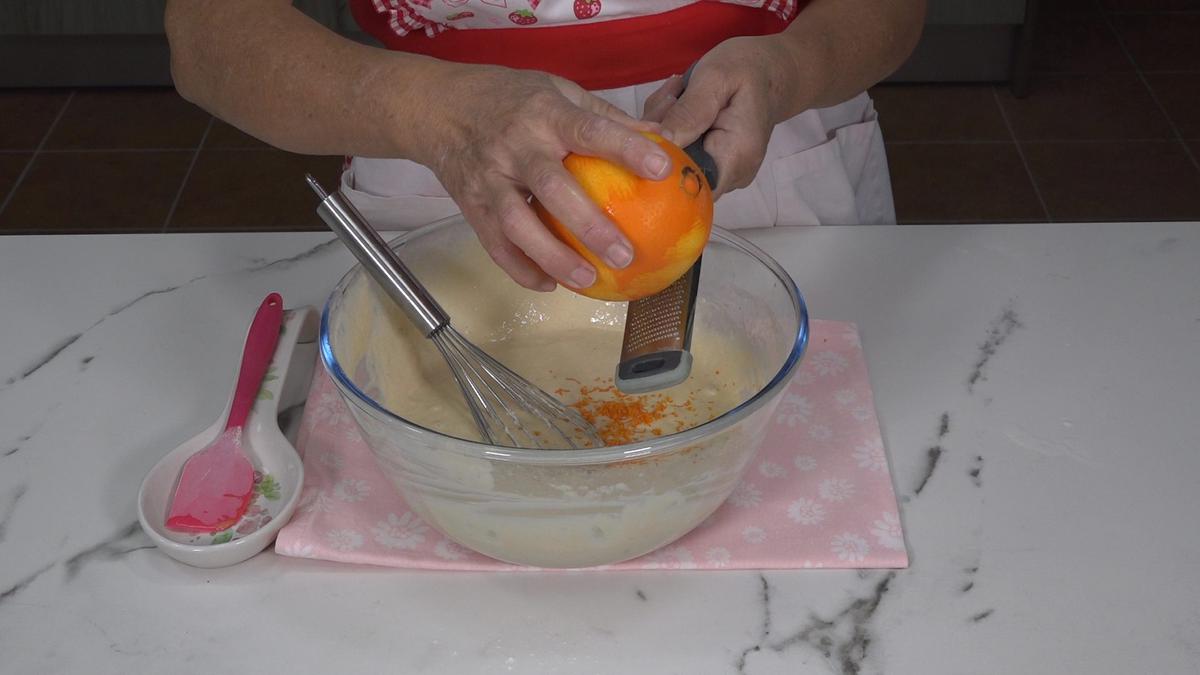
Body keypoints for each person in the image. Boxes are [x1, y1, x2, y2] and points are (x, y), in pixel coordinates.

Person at [165, 0, 925, 293]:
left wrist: (793, 66)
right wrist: (431, 111)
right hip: (445, 167)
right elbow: (208, 34)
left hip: (767, 151)